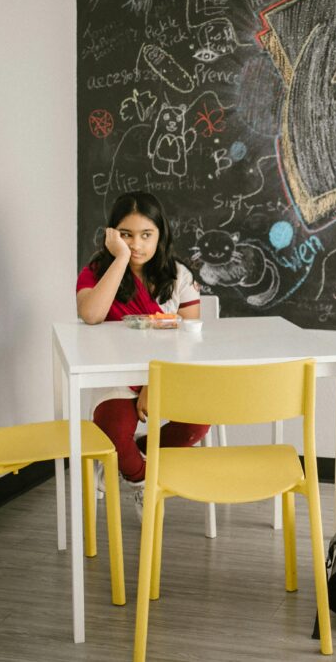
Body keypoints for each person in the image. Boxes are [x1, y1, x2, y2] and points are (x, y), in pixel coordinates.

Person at [76, 191, 210, 514]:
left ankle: (132, 453)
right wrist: (120, 260)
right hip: (117, 374)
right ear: (112, 235)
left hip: (167, 372)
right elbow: (91, 315)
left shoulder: (179, 276)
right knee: (111, 428)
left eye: (146, 235)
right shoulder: (96, 272)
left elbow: (189, 341)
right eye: (126, 235)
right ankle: (142, 482)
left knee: (198, 423)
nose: (136, 244)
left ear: (160, 234)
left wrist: (154, 381)